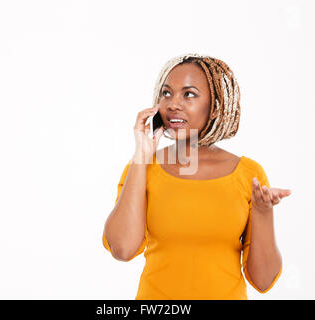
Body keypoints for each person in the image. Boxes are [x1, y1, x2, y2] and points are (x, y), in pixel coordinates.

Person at [102, 53, 292, 300]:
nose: (173, 104)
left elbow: (264, 281)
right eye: (166, 93)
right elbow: (122, 248)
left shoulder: (249, 174)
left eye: (188, 94)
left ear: (214, 106)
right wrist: (141, 157)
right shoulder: (143, 167)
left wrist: (264, 212)